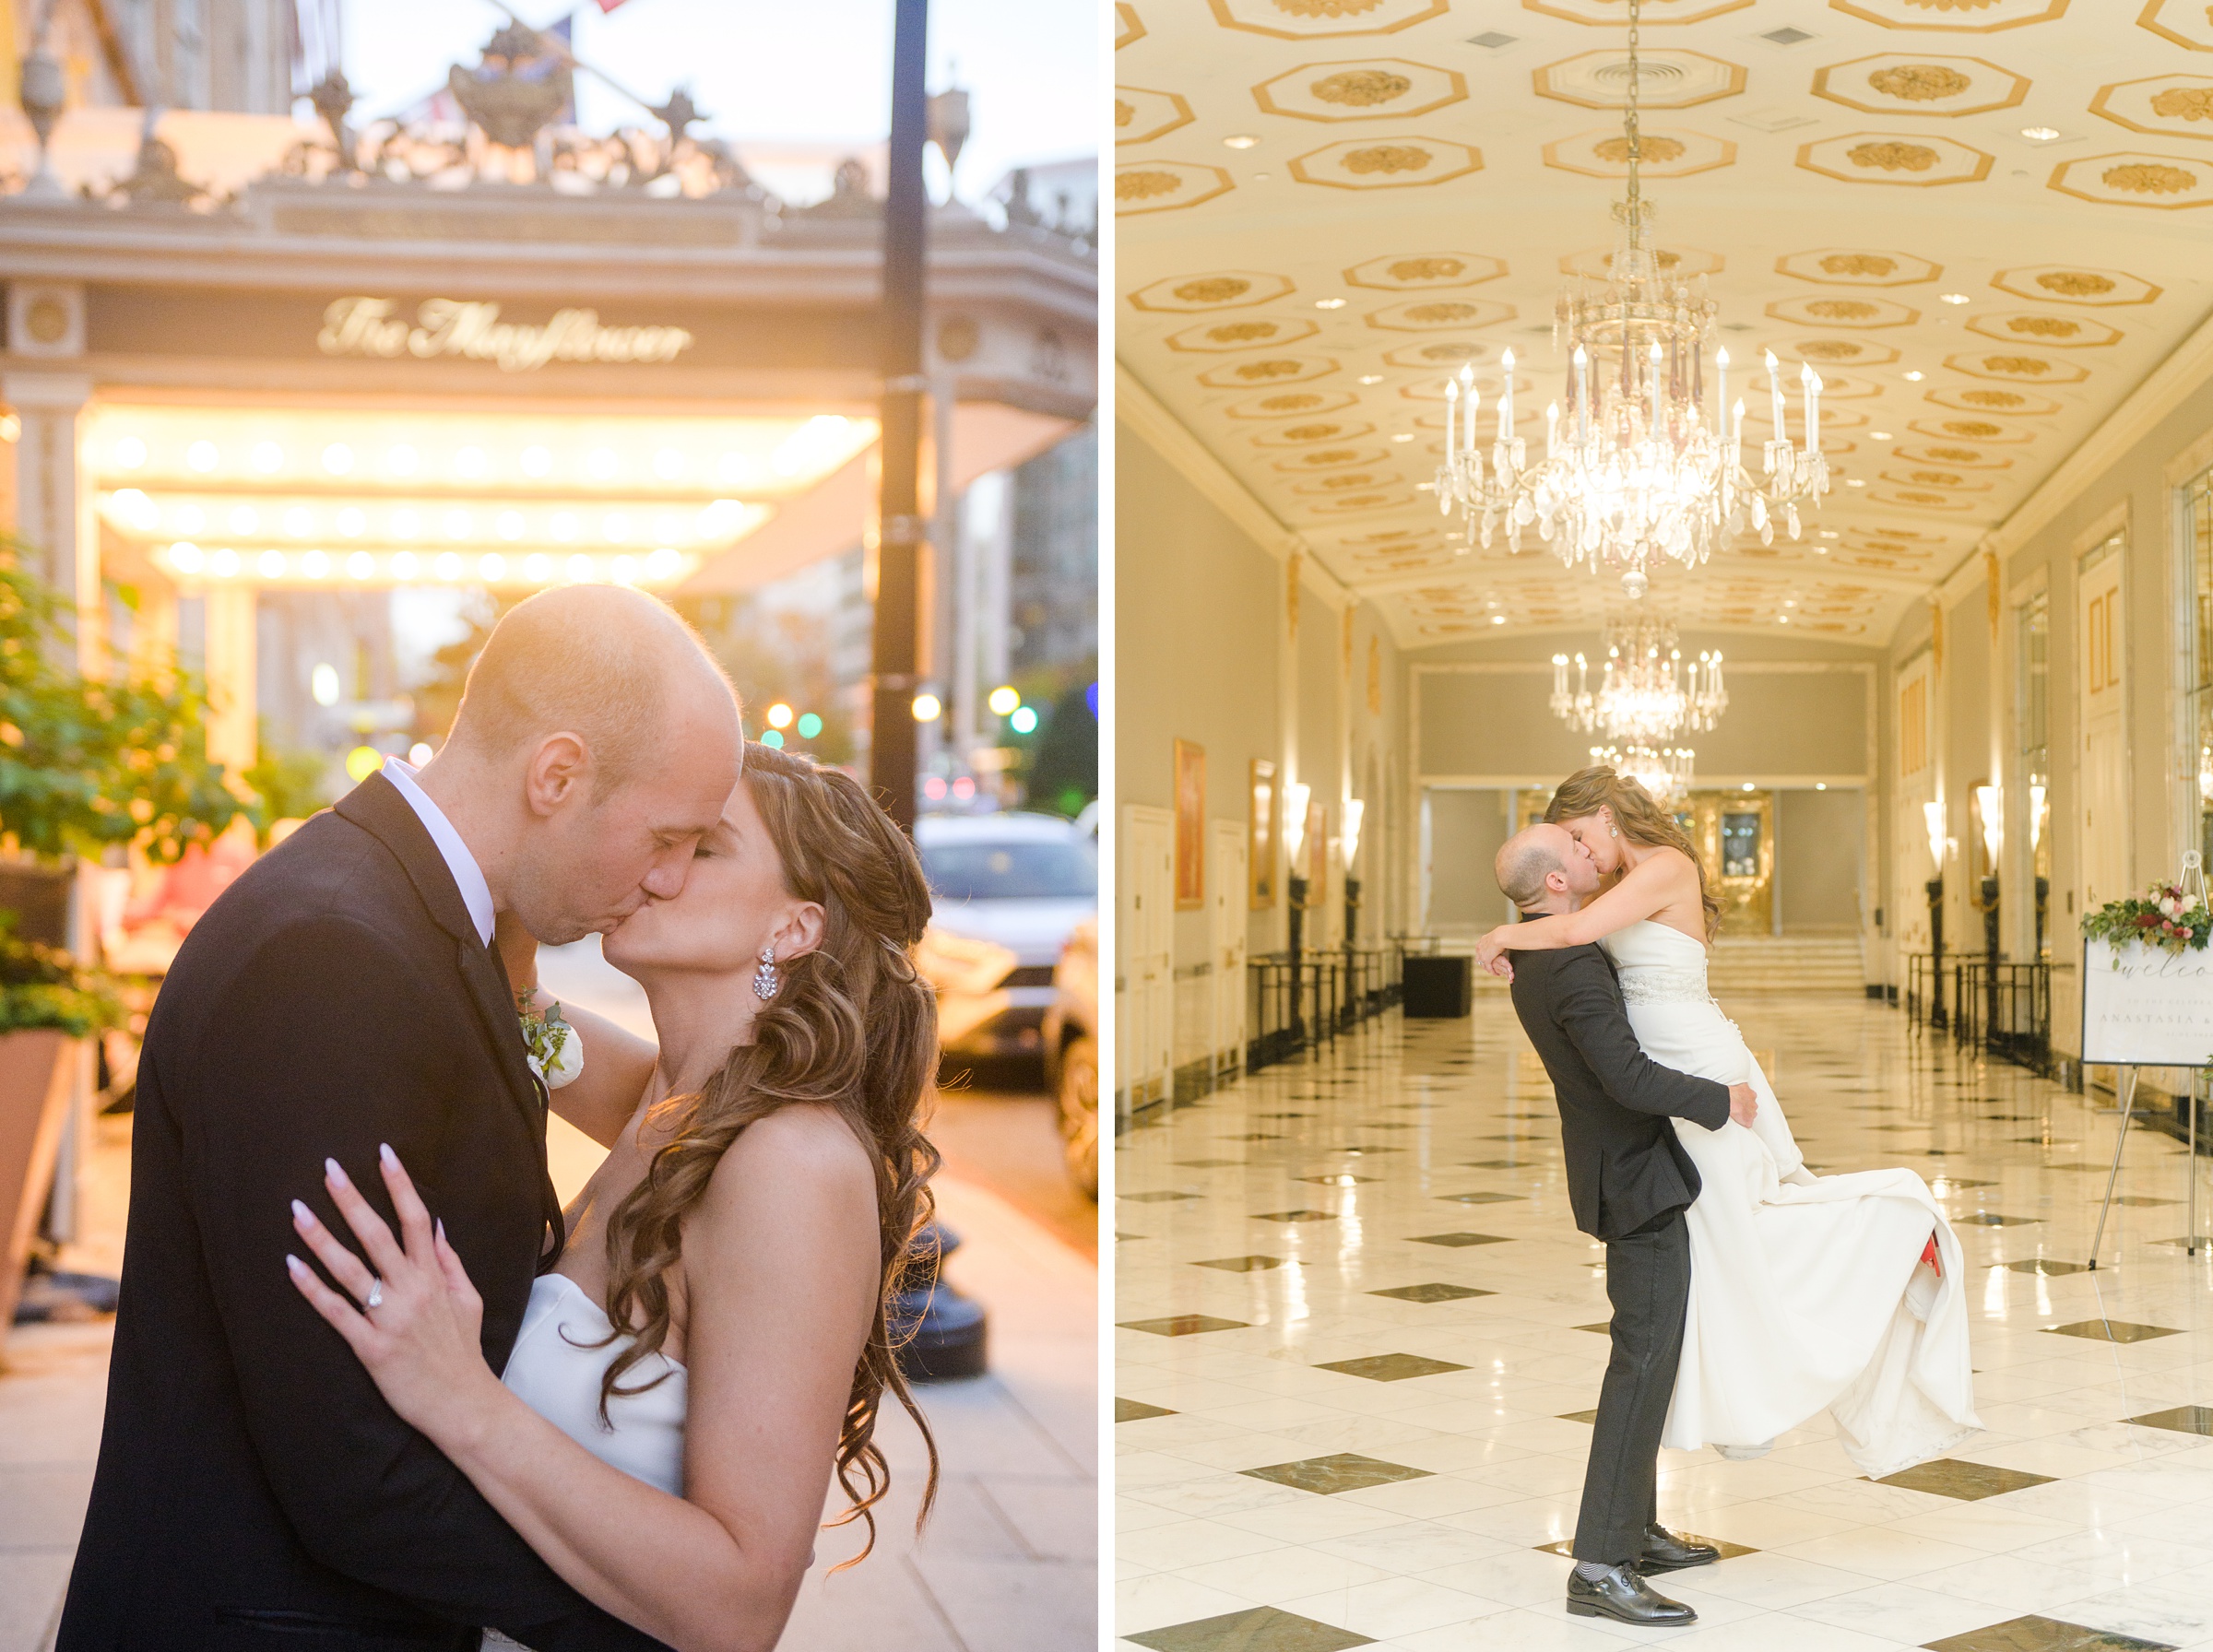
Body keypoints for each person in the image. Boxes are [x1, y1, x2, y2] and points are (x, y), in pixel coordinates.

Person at [60, 585, 740, 1652]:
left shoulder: (407, 918)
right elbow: (351, 1465)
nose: (663, 879)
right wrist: (650, 1625)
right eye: (665, 836)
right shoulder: (332, 957)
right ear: (556, 775)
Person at [282, 739, 942, 1652]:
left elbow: (742, 1606)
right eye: (664, 836)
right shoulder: (669, 1103)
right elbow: (515, 1007)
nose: (656, 867)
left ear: (793, 928)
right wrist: (483, 808)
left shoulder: (789, 1164)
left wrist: (461, 1397)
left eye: (700, 848)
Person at [1481, 768, 1980, 1489]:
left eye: (1584, 838)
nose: (1586, 857)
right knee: (1720, 1248)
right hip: (1668, 1075)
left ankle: (1897, 1225)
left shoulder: (1663, 868)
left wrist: (1503, 930)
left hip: (1693, 1067)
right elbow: (1571, 929)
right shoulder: (1618, 883)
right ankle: (1707, 1429)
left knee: (1748, 1228)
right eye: (1574, 850)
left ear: (1606, 818)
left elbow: (1579, 927)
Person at [1493, 820, 1758, 1628]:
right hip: (1636, 1181)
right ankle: (1600, 1566)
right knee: (1639, 1366)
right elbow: (1626, 1076)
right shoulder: (1569, 963)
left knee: (1653, 1357)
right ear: (1561, 885)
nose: (1589, 851)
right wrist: (1722, 1101)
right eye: (1574, 849)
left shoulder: (1546, 951)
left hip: (1630, 1170)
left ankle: (1634, 1529)